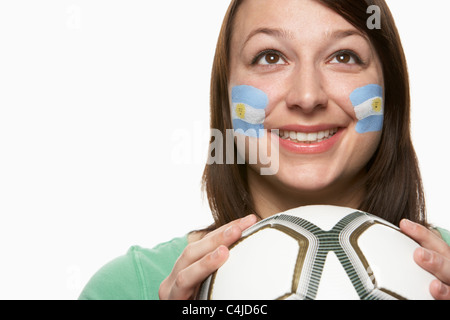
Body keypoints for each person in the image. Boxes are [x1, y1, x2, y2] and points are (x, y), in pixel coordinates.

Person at [79, 0, 450, 300]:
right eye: (270, 57)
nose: (307, 96)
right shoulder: (129, 288)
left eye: (343, 56)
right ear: (225, 94)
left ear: (391, 90)